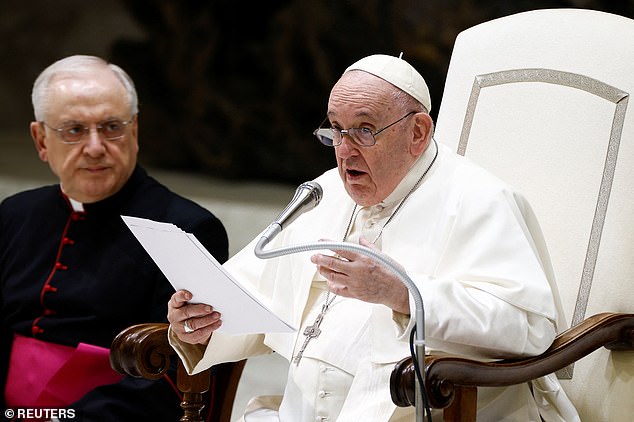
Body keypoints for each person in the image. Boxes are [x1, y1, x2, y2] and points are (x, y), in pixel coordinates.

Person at [167, 54, 580, 421]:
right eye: (335, 130)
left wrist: (403, 293)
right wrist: (202, 324)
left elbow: (529, 328)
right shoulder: (325, 192)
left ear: (417, 132)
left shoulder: (479, 200)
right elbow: (250, 297)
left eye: (364, 131)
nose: (344, 151)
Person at [0, 55, 229, 421]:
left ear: (134, 131)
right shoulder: (14, 214)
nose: (94, 147)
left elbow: (176, 373)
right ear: (40, 139)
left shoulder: (186, 229)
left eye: (111, 127)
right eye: (74, 130)